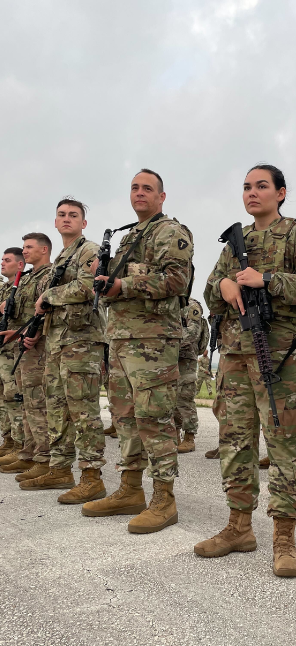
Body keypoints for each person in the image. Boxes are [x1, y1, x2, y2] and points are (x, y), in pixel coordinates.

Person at [194, 163, 296, 577]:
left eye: (262, 186)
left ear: (281, 193)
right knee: (235, 442)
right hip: (235, 356)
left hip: (282, 357)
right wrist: (225, 286)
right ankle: (238, 528)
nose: (252, 193)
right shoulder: (236, 242)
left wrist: (265, 279)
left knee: (286, 446)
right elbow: (208, 291)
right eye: (247, 187)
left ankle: (284, 538)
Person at [81, 169, 193, 534]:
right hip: (121, 339)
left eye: (148, 188)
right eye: (135, 187)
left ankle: (164, 498)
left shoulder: (170, 232)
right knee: (126, 419)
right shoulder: (128, 235)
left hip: (154, 342)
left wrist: (121, 283)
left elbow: (177, 280)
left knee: (154, 419)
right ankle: (130, 489)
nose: (140, 193)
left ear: (162, 197)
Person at [20, 199, 108, 501]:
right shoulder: (62, 256)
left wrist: (49, 294)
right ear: (55, 223)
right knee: (57, 407)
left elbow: (88, 286)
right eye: (62, 215)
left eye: (73, 215)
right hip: (59, 342)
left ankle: (92, 475)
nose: (67, 219)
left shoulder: (89, 250)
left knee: (83, 410)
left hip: (81, 342)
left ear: (83, 223)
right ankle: (59, 468)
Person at [0, 233, 54, 481]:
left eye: (29, 247)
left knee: (35, 403)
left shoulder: (49, 275)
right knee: (26, 402)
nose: (26, 252)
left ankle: (43, 458)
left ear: (44, 249)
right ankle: (28, 453)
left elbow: (44, 312)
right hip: (23, 344)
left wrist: (32, 333)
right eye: (23, 247)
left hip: (38, 347)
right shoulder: (30, 278)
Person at [0, 248, 26, 469]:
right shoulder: (5, 289)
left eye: (7, 260)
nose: (2, 263)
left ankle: (19, 444)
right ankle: (9, 440)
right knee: (4, 398)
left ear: (19, 265)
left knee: (14, 398)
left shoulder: (21, 286)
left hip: (15, 350)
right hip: (4, 350)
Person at [174, 298, 209, 454]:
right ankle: (174, 435)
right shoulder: (170, 303)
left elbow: (193, 333)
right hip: (169, 358)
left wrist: (169, 342)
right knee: (170, 397)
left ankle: (189, 437)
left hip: (186, 359)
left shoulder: (191, 306)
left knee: (184, 397)